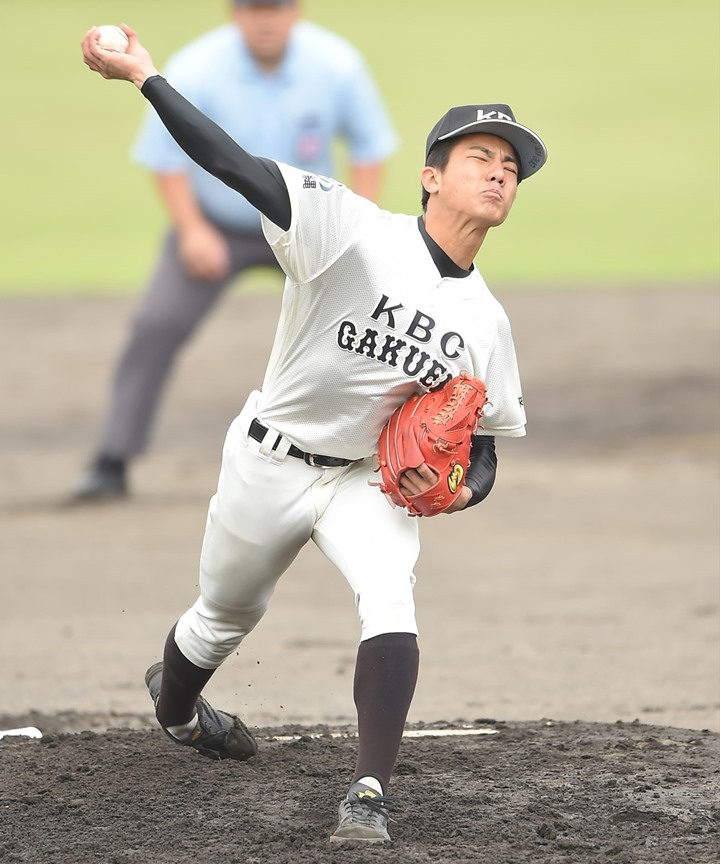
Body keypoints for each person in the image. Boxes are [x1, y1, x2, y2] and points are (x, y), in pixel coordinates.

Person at [81, 21, 547, 845]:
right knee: (222, 617)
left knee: (390, 598)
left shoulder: (487, 323)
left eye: (511, 168)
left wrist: (454, 490)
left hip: (364, 482)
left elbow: (485, 451)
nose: (500, 174)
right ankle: (181, 711)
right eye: (483, 157)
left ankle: (368, 792)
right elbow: (233, 165)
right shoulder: (349, 230)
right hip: (269, 458)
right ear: (432, 176)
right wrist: (146, 78)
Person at [73, 0, 397, 501]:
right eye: (253, 8)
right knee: (156, 324)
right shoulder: (198, 65)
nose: (265, 19)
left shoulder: (337, 65)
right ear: (235, 12)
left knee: (370, 326)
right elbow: (163, 157)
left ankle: (381, 456)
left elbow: (369, 147)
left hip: (309, 229)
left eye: (276, 7)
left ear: (296, 11)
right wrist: (192, 229)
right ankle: (112, 458)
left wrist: (355, 229)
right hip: (217, 227)